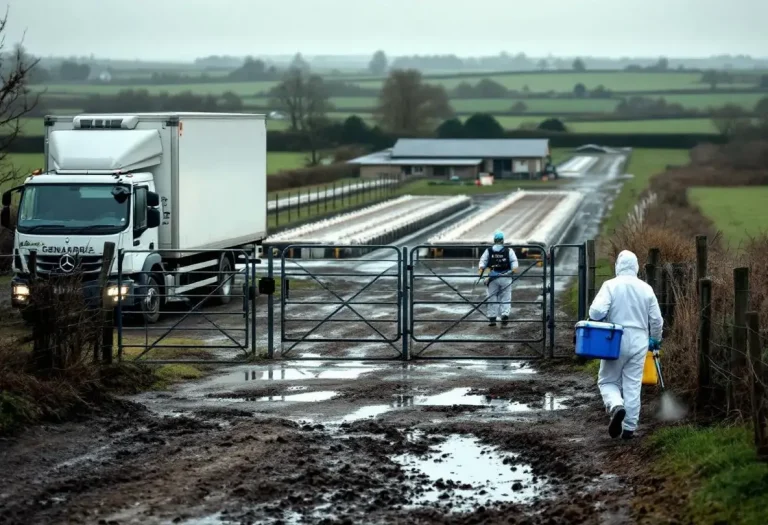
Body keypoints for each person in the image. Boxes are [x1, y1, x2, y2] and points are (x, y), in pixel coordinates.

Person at [588, 250, 663, 440]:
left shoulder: (610, 285)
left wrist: (601, 316)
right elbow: (656, 320)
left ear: (618, 266)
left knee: (608, 380)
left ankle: (616, 406)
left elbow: (596, 312)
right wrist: (655, 339)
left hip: (615, 339)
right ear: (636, 267)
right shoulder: (646, 288)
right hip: (640, 341)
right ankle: (629, 427)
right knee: (633, 384)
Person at [478, 231, 519, 327]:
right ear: (503, 240)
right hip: (506, 277)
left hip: (492, 277)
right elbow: (514, 263)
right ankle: (505, 315)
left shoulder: (488, 251)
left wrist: (482, 274)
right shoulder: (509, 251)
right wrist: (513, 270)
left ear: (494, 240)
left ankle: (492, 318)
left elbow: (482, 262)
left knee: (492, 297)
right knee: (506, 297)